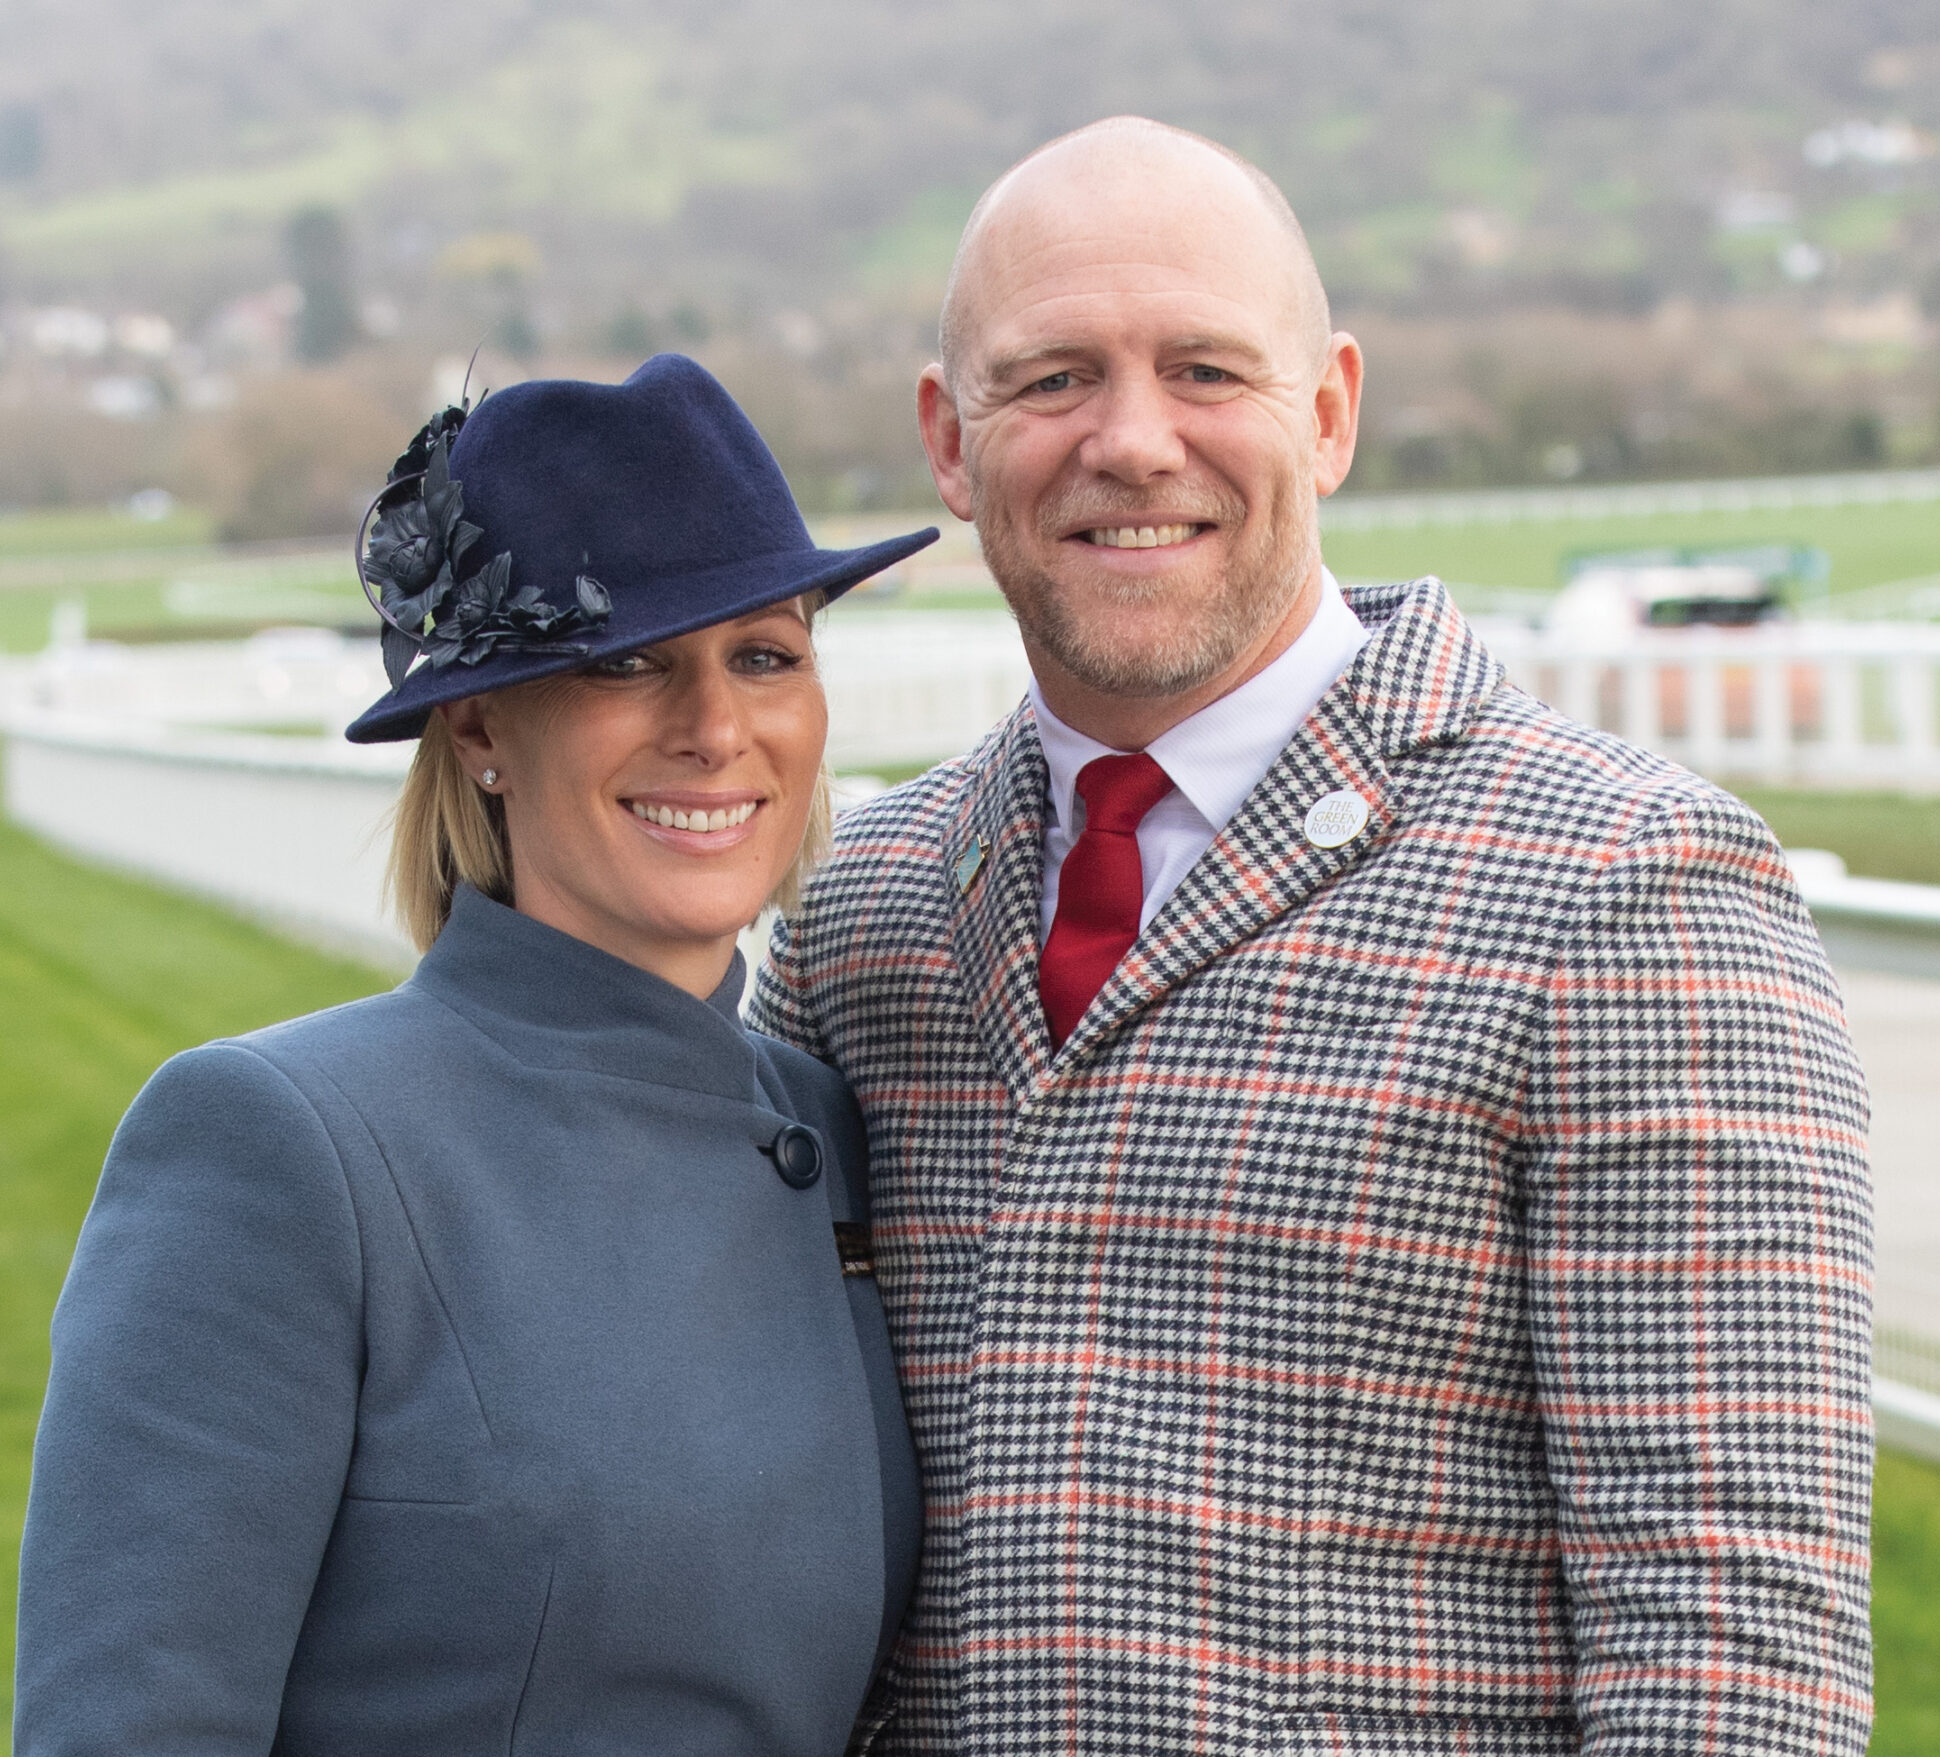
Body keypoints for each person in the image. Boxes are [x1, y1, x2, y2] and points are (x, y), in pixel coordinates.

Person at [752, 119, 1877, 1756]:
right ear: (947, 438)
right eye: (1053, 378)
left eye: (1206, 369)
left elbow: (1730, 1660)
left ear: (1333, 409)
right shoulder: (863, 913)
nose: (1133, 442)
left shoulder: (1633, 893)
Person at [15, 353, 935, 1755]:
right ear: (482, 723)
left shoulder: (830, 1119)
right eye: (627, 661)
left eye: (765, 653)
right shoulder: (280, 1145)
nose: (716, 728)